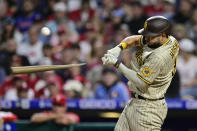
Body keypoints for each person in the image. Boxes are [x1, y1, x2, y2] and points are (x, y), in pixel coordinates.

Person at [102, 16, 179, 131]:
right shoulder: (169, 40)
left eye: (150, 36)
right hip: (135, 102)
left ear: (162, 35)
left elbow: (141, 82)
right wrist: (119, 48)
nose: (146, 38)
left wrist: (117, 63)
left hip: (148, 108)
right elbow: (135, 39)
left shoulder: (159, 57)